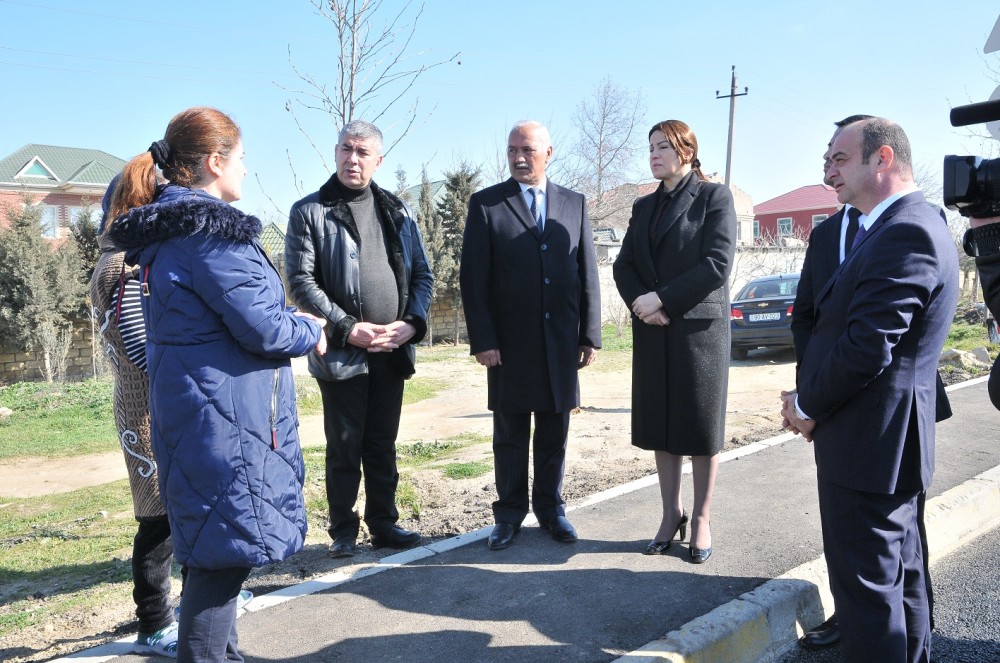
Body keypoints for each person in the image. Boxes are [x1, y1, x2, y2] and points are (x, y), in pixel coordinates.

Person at [107, 106, 326, 663]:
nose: (247, 170)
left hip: (208, 413)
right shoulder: (210, 237)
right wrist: (309, 326)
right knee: (219, 560)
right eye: (243, 159)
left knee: (220, 551)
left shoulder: (176, 233)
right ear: (213, 162)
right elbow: (266, 328)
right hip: (225, 421)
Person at [781, 117, 958, 663]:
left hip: (870, 445)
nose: (828, 170)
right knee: (898, 586)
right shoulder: (896, 224)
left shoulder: (906, 229)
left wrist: (807, 404)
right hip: (877, 444)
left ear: (881, 160)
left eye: (839, 157)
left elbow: (867, 345)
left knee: (868, 601)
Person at [285, 120, 433, 559]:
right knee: (345, 445)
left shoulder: (398, 211)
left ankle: (384, 524)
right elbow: (299, 281)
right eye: (347, 149)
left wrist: (412, 324)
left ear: (378, 160)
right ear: (335, 153)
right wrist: (348, 326)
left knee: (382, 443)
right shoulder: (310, 211)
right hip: (344, 354)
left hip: (392, 350)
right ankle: (343, 530)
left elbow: (422, 275)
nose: (353, 159)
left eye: (363, 152)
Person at [460, 120, 601, 551]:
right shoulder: (487, 204)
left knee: (554, 430)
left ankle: (551, 509)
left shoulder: (573, 203)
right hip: (508, 343)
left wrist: (588, 334)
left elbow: (586, 272)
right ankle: (508, 514)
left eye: (528, 150)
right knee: (510, 432)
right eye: (512, 150)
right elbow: (474, 279)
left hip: (560, 341)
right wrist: (483, 339)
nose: (520, 158)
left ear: (549, 153)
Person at [612, 120, 736, 564]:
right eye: (650, 148)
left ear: (686, 150)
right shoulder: (643, 207)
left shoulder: (713, 197)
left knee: (699, 428)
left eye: (663, 146)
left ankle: (701, 519)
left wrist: (662, 298)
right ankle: (671, 514)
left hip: (698, 330)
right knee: (661, 426)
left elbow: (716, 264)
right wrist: (643, 305)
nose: (654, 154)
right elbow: (623, 265)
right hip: (654, 327)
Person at [91, 176, 178, 656]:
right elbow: (144, 349)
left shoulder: (121, 256)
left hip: (146, 405)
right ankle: (154, 623)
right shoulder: (124, 263)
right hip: (147, 412)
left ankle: (183, 603)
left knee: (171, 513)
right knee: (157, 520)